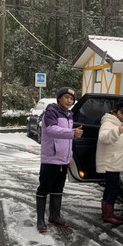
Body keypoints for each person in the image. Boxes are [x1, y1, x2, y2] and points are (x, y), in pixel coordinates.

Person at [36, 87, 83, 233]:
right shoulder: (51, 112)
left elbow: (68, 142)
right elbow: (51, 130)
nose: (69, 101)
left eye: (72, 99)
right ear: (59, 98)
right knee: (44, 189)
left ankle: (54, 216)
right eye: (66, 97)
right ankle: (40, 220)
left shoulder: (69, 114)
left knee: (58, 189)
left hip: (63, 160)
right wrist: (72, 132)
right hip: (50, 159)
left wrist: (69, 157)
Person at [96, 100, 123, 225]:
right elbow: (103, 137)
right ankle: (108, 215)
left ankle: (106, 213)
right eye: (122, 112)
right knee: (113, 189)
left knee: (109, 188)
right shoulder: (109, 123)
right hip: (110, 163)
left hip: (114, 163)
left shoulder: (121, 124)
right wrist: (116, 131)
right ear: (115, 111)